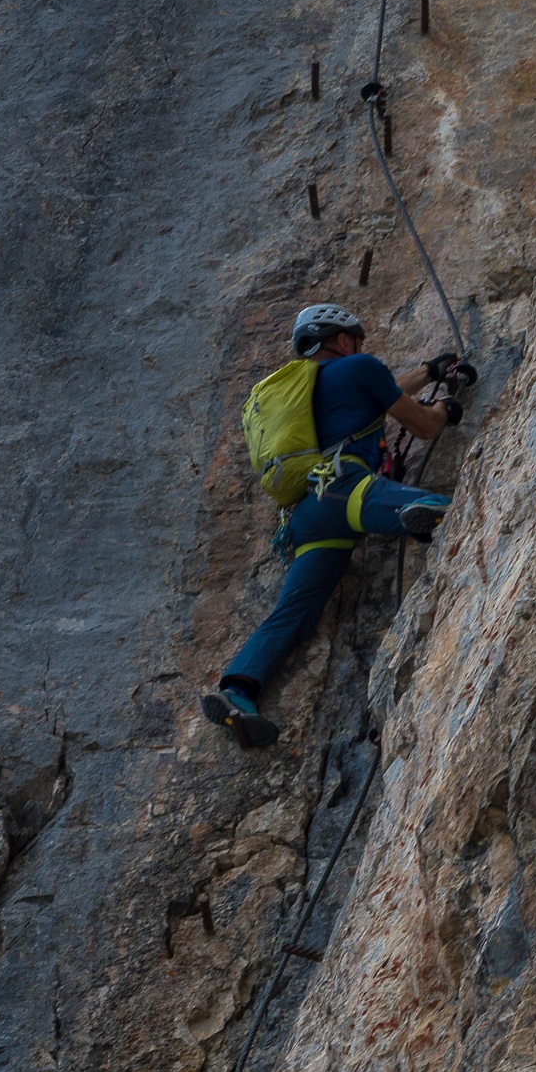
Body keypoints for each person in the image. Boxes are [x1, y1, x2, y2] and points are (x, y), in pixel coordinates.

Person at [203, 304, 472, 747]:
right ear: (345, 341)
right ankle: (416, 513)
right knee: (459, 507)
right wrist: (444, 406)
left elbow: (381, 392)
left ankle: (239, 691)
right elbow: (421, 425)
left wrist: (428, 372)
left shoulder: (305, 390)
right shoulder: (361, 369)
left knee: (292, 613)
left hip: (308, 515)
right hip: (346, 488)